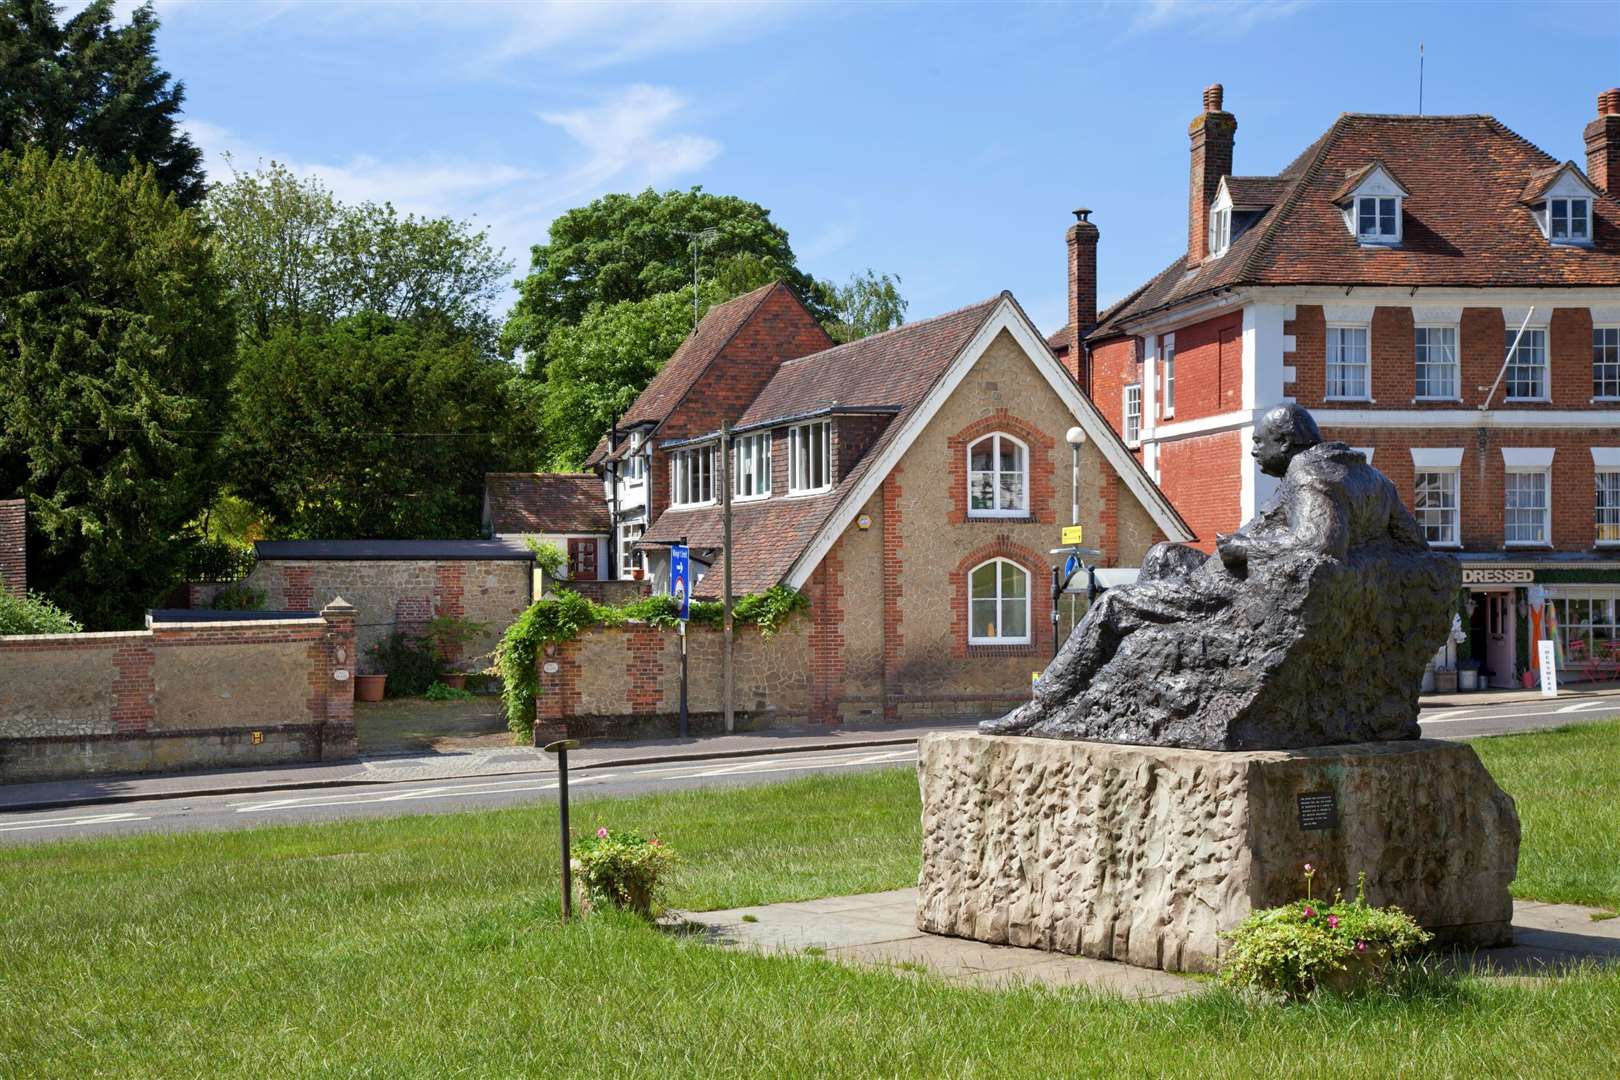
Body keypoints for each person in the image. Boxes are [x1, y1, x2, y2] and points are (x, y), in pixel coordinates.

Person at [985, 402, 1428, 736]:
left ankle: (1043, 705)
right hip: (1226, 578)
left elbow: (1319, 543)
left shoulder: (1307, 475)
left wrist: (1243, 546)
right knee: (1164, 555)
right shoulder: (1373, 479)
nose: (1253, 447)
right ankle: (1130, 665)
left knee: (1114, 603)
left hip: (1232, 594)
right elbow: (1414, 545)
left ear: (1288, 443)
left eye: (1260, 441)